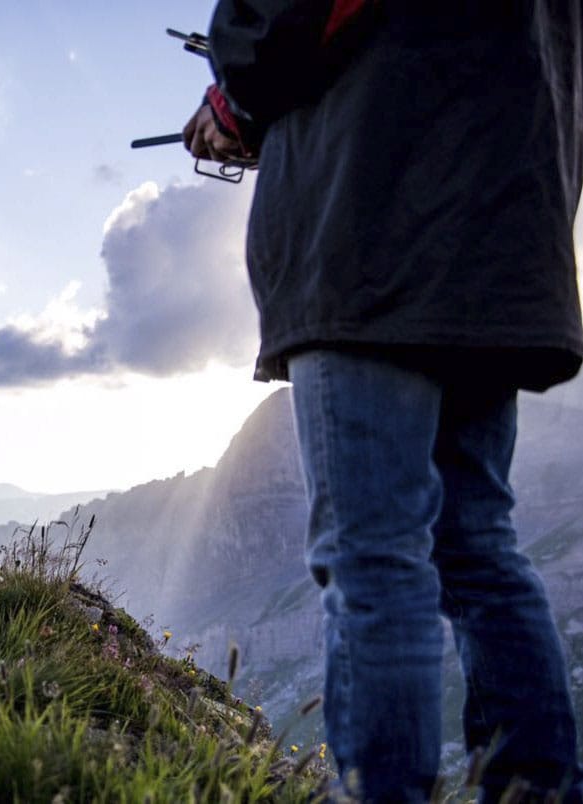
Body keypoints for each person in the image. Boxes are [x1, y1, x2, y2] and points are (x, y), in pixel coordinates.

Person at [183, 2, 583, 801]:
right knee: (477, 545)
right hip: (502, 227)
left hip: (371, 226)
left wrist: (234, 97)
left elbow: (283, 18)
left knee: (373, 554)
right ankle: (535, 790)